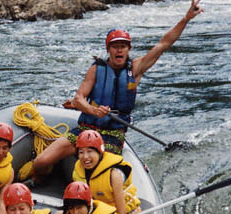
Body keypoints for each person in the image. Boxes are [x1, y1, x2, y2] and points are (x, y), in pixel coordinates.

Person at [31, 0, 203, 178]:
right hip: (85, 130)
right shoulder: (96, 69)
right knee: (40, 162)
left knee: (100, 176)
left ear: (128, 49)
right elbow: (79, 99)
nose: (119, 50)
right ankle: (43, 180)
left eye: (123, 46)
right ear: (109, 49)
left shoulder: (136, 69)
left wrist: (186, 18)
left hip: (112, 136)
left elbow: (164, 44)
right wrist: (93, 110)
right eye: (115, 46)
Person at [72, 130, 141, 214]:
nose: (85, 157)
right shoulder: (78, 172)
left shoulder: (114, 175)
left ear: (100, 152)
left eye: (90, 151)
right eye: (81, 152)